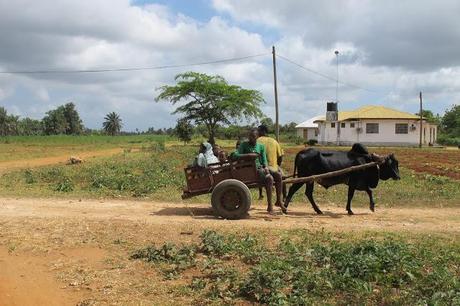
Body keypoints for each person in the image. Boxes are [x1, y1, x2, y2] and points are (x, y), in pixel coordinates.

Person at [234, 128, 276, 214]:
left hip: (259, 168)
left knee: (277, 175)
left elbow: (264, 159)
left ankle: (276, 203)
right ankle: (270, 205)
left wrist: (266, 167)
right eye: (250, 136)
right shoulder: (244, 145)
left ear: (257, 137)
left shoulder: (261, 146)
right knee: (269, 178)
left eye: (253, 136)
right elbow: (235, 155)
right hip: (247, 170)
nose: (251, 138)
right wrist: (248, 155)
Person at [257, 124, 284, 207]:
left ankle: (276, 202)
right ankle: (279, 200)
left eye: (258, 131)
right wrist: (277, 166)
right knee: (280, 177)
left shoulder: (256, 141)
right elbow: (280, 156)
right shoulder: (274, 141)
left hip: (260, 169)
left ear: (262, 131)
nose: (257, 132)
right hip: (272, 168)